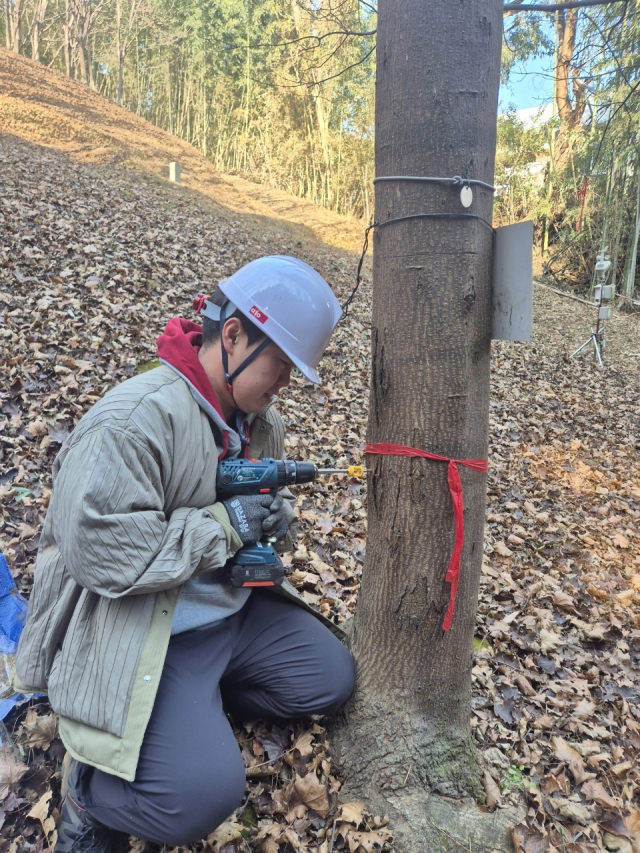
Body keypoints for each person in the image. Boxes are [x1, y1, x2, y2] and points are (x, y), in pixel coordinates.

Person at [14, 256, 355, 853]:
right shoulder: (133, 420)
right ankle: (89, 795)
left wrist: (276, 523)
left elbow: (260, 519)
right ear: (232, 336)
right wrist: (224, 525)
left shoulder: (259, 422)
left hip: (227, 612)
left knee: (328, 679)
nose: (285, 384)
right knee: (199, 798)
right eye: (280, 365)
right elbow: (101, 553)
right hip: (139, 624)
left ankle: (186, 713)